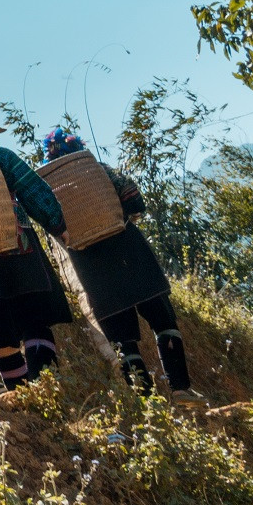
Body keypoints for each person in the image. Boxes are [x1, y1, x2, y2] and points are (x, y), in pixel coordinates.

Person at [40, 129, 207, 407]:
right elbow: (133, 199)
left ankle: (148, 404)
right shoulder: (98, 169)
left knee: (122, 340)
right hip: (130, 251)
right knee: (163, 321)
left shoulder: (46, 189)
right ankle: (180, 388)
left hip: (92, 267)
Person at [0, 105, 73, 388]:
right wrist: (57, 225)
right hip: (19, 248)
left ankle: (18, 392)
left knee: (0, 330)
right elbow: (34, 190)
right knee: (34, 318)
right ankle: (46, 390)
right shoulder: (1, 157)